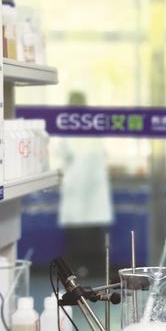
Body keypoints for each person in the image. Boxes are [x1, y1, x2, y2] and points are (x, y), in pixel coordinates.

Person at [57, 91, 113, 278]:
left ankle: (83, 270)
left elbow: (65, 156)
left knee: (85, 235)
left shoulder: (75, 129)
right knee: (85, 234)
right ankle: (90, 270)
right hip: (82, 191)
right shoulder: (85, 128)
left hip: (85, 190)